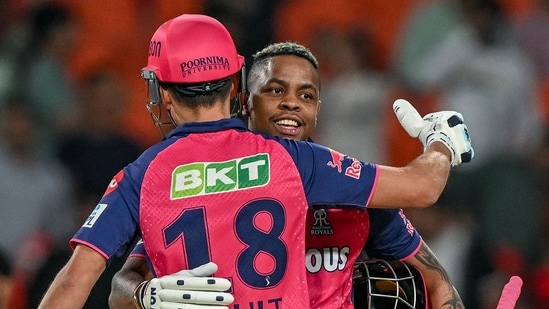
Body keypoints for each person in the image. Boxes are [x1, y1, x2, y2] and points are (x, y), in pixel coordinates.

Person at [38, 14, 472, 308]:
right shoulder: (295, 162)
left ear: (163, 94)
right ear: (237, 87)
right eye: (277, 91)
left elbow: (74, 285)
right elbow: (424, 188)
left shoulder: (143, 176)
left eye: (306, 95)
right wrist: (440, 142)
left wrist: (147, 296)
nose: (290, 106)